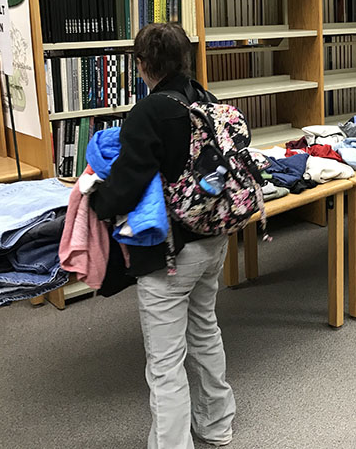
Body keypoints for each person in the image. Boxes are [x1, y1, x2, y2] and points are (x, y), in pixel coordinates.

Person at [90, 22, 235, 449]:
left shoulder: (149, 112)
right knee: (205, 329)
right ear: (185, 59)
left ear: (141, 65)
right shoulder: (205, 99)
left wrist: (96, 206)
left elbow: (126, 186)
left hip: (171, 256)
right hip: (213, 238)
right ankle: (217, 426)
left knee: (165, 361)